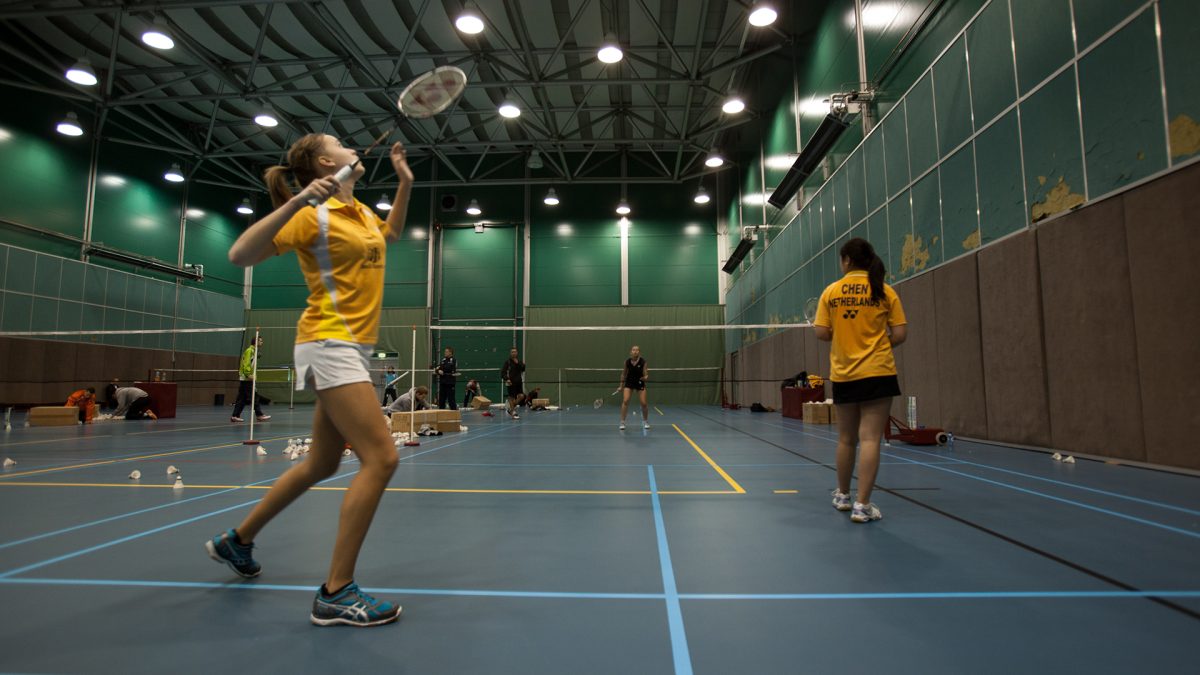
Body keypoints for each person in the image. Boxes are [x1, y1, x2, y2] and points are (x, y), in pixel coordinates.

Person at [207, 133, 414, 627]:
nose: (352, 148)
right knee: (382, 458)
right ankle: (336, 592)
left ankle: (237, 541)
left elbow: (390, 236)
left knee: (321, 463)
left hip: (351, 349)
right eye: (341, 144)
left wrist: (404, 182)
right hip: (329, 343)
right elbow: (240, 255)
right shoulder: (311, 214)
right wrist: (301, 199)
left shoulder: (359, 212)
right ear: (326, 162)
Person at [813, 237, 907, 524]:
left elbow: (821, 333)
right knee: (870, 440)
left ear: (846, 261)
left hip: (844, 374)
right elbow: (900, 334)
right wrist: (876, 345)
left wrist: (843, 338)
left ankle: (842, 495)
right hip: (878, 372)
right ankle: (862, 505)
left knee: (846, 439)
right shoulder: (885, 291)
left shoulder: (831, 292)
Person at [231, 336, 270, 423]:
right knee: (254, 396)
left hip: (246, 378)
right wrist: (248, 375)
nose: (262, 342)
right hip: (246, 378)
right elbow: (246, 363)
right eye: (260, 341)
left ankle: (235, 416)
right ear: (255, 341)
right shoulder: (250, 350)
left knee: (242, 398)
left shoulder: (254, 351)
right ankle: (259, 415)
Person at [619, 345, 650, 431]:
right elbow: (623, 374)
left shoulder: (643, 362)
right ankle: (622, 422)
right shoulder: (627, 362)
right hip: (629, 382)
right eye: (633, 350)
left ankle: (645, 421)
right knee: (625, 401)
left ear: (639, 352)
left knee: (644, 403)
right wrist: (621, 386)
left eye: (637, 350)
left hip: (640, 382)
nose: (635, 351)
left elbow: (645, 374)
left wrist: (645, 377)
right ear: (631, 352)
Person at [500, 347, 526, 419]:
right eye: (512, 352)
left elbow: (523, 369)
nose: (514, 353)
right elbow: (503, 372)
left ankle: (510, 409)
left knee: (521, 396)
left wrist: (521, 364)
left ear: (517, 353)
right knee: (511, 397)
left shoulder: (519, 361)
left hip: (519, 382)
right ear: (510, 353)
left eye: (515, 352)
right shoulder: (507, 362)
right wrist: (507, 379)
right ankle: (513, 413)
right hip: (510, 382)